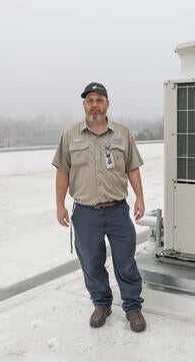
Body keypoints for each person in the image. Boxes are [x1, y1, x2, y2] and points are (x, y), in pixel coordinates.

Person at [52, 82, 147, 332]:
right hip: (85, 213)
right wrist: (60, 205)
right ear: (84, 104)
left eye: (99, 100)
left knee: (126, 261)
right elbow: (63, 172)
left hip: (117, 210)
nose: (95, 104)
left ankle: (133, 307)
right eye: (90, 100)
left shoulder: (122, 133)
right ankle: (101, 304)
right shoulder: (70, 135)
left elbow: (132, 168)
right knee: (92, 263)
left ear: (107, 103)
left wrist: (140, 197)